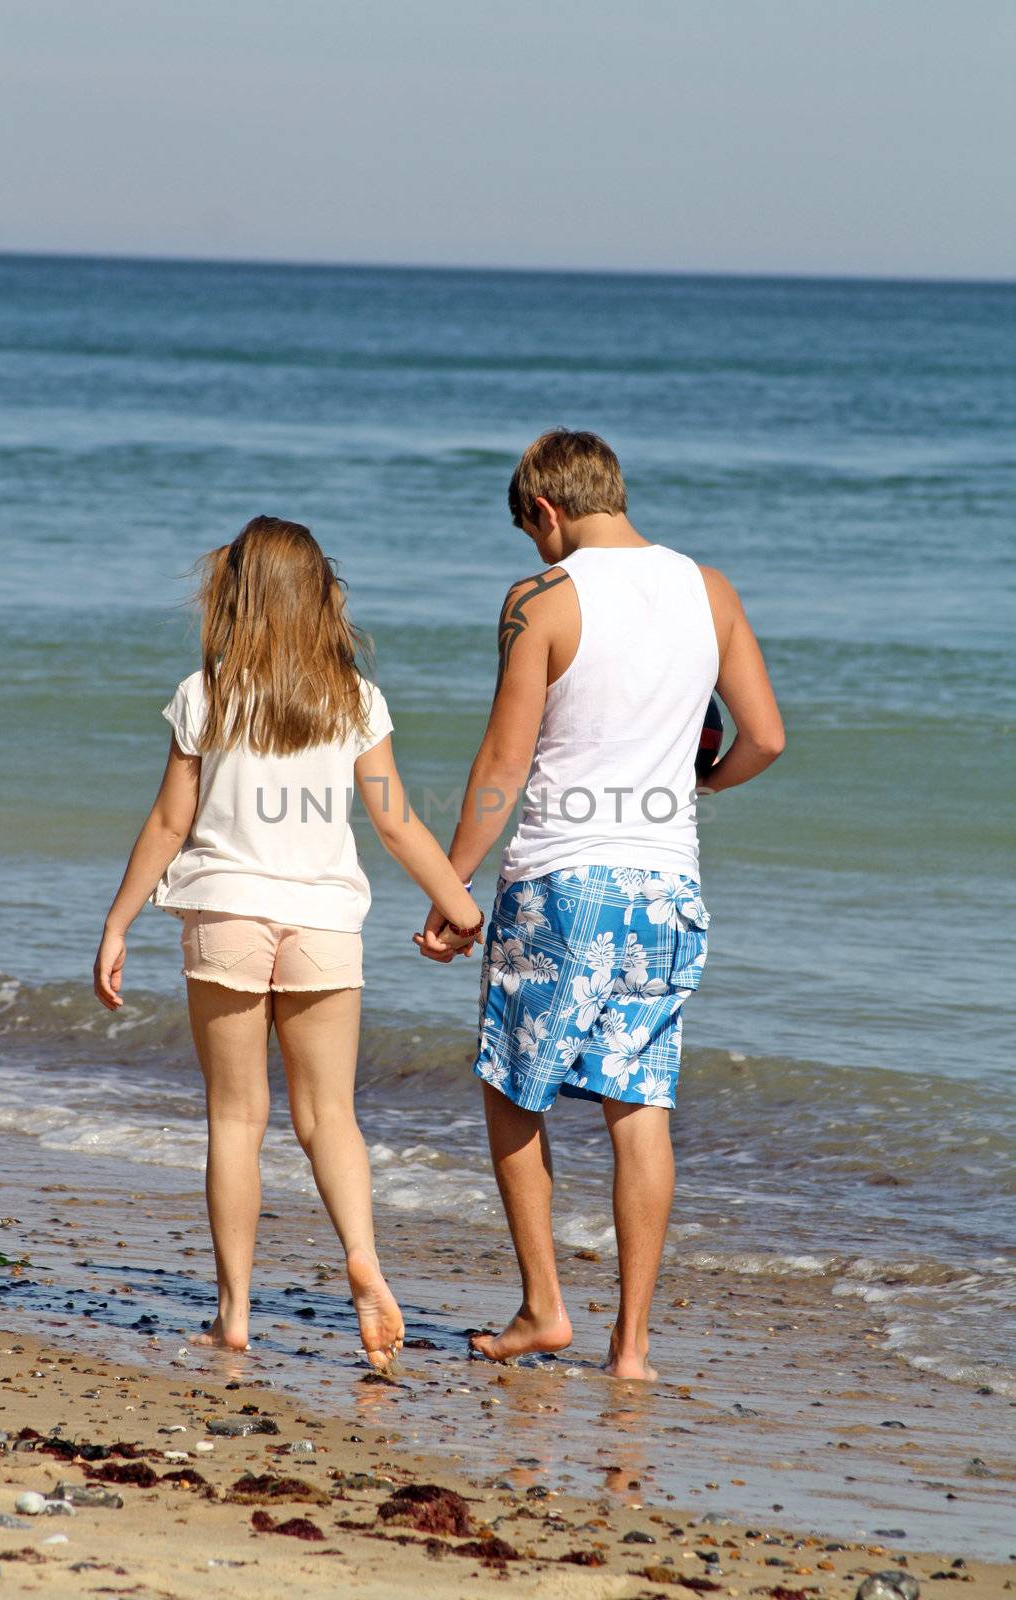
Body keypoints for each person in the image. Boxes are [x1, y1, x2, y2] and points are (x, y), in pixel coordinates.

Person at [415, 430, 784, 1380]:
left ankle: (544, 1308)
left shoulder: (542, 598)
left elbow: (502, 767)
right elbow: (766, 739)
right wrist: (694, 786)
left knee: (509, 1087)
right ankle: (631, 1347)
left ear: (545, 511)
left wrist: (451, 887)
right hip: (666, 886)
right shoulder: (711, 589)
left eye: (531, 532)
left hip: (561, 881)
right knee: (640, 1104)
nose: (536, 551)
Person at [94, 515, 482, 1367]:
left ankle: (233, 1314)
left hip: (227, 911)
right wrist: (461, 906)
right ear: (320, 597)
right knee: (329, 1115)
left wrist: (118, 921)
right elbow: (394, 820)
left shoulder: (207, 692)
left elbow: (170, 822)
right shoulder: (354, 698)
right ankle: (363, 1258)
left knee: (236, 1118)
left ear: (236, 594)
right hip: (323, 923)